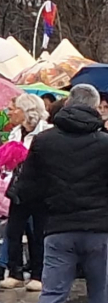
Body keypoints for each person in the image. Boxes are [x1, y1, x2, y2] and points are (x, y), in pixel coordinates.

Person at [12, 85, 108, 303]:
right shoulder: (106, 143)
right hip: (99, 228)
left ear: (67, 103)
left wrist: (48, 204)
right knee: (100, 298)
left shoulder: (43, 141)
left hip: (59, 227)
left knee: (52, 295)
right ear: (95, 108)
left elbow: (26, 188)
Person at [1, 94, 52, 290]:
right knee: (13, 230)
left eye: (15, 108)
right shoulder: (15, 132)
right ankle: (16, 272)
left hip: (40, 188)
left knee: (38, 232)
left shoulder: (46, 132)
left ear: (26, 111)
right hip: (19, 187)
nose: (10, 112)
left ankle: (39, 274)